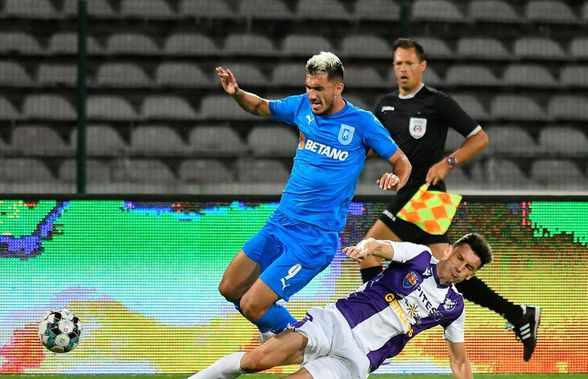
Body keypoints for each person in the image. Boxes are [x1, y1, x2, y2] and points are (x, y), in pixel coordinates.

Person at [358, 38, 540, 361]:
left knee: (369, 251)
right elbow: (373, 145)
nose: (403, 69)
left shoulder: (437, 102)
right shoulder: (385, 105)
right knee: (450, 270)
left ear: (422, 66)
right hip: (408, 196)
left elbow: (479, 138)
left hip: (427, 196)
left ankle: (379, 316)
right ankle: (518, 313)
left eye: (409, 63)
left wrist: (448, 162)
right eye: (398, 63)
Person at [214, 52, 412, 341]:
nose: (312, 94)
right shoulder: (301, 107)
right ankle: (279, 329)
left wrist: (396, 177)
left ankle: (314, 344)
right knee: (229, 288)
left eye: (319, 88)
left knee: (252, 304)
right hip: (280, 223)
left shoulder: (362, 123)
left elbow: (402, 161)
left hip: (314, 239)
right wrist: (237, 93)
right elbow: (260, 107)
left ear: (338, 88)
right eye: (308, 86)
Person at [189, 233, 493, 379]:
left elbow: (460, 361)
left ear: (472, 274)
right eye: (460, 259)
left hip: (357, 360)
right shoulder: (420, 256)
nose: (459, 268)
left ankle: (274, 331)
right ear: (451, 251)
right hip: (336, 323)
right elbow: (381, 246)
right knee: (255, 362)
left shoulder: (454, 307)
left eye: (468, 268)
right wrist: (366, 247)